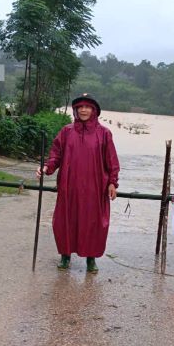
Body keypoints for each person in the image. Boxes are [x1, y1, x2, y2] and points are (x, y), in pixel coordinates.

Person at [36, 93, 120, 273]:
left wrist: (113, 182)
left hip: (94, 188)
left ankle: (91, 259)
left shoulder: (104, 133)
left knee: (93, 223)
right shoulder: (66, 131)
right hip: (69, 186)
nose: (83, 110)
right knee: (66, 220)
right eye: (80, 107)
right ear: (75, 110)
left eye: (87, 107)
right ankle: (65, 256)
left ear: (94, 110)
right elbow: (55, 155)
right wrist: (45, 168)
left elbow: (112, 160)